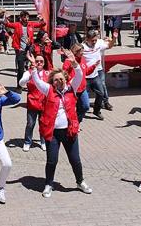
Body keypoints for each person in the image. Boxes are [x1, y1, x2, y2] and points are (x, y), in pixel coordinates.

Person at [31, 49, 93, 198]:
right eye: (55, 80)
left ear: (65, 79)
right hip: (52, 133)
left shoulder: (72, 88)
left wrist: (73, 62)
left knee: (75, 160)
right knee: (52, 160)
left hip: (69, 131)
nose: (58, 82)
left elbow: (79, 75)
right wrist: (34, 68)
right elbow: (38, 82)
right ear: (52, 81)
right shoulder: (48, 90)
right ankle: (48, 184)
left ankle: (80, 181)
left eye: (61, 79)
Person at [5, 11, 46, 92]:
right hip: (20, 50)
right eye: (24, 17)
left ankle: (35, 84)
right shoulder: (17, 24)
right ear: (21, 18)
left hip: (29, 49)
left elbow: (42, 24)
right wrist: (6, 18)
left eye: (27, 17)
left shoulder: (31, 24)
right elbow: (7, 24)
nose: (26, 19)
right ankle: (19, 86)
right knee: (20, 69)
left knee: (34, 67)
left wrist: (41, 19)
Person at [82, 29, 115, 120]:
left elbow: (110, 46)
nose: (94, 42)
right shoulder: (82, 47)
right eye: (92, 40)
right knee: (83, 97)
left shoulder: (99, 43)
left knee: (101, 93)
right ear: (87, 39)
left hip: (95, 75)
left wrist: (114, 38)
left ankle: (96, 111)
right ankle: (79, 112)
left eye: (95, 40)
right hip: (85, 77)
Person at [19, 54, 49, 151]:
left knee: (43, 124)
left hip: (44, 103)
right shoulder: (28, 72)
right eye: (37, 61)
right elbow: (21, 83)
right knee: (30, 124)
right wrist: (30, 75)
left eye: (41, 61)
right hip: (32, 102)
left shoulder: (48, 73)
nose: (39, 63)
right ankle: (27, 141)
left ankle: (43, 141)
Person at [61, 44, 98, 122]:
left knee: (85, 107)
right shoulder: (68, 62)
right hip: (72, 90)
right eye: (80, 51)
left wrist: (94, 66)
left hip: (82, 89)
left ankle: (77, 121)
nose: (82, 53)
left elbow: (86, 72)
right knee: (71, 109)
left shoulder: (83, 59)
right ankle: (73, 124)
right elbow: (64, 74)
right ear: (75, 52)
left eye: (82, 51)